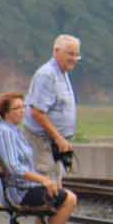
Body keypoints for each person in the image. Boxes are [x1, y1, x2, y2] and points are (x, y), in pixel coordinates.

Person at [0, 90, 77, 224]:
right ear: (5, 112)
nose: (22, 111)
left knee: (56, 190)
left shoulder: (12, 130)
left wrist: (46, 182)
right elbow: (15, 167)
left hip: (16, 188)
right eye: (16, 108)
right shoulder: (6, 133)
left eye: (23, 107)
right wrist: (43, 180)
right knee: (69, 199)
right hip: (16, 193)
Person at [24, 34, 81, 188]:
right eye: (70, 54)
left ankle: (56, 210)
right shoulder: (47, 75)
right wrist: (58, 138)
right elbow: (37, 112)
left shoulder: (63, 73)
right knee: (47, 186)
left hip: (56, 145)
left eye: (77, 55)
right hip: (43, 142)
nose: (74, 59)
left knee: (56, 185)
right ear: (56, 51)